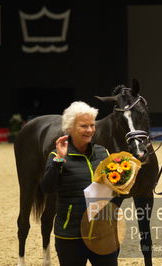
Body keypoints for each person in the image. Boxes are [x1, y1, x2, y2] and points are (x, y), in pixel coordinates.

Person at [40, 101, 119, 266]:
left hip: (102, 235)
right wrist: (59, 161)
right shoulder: (57, 155)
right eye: (84, 126)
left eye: (92, 125)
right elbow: (47, 187)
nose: (90, 130)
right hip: (70, 237)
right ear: (70, 127)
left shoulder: (103, 153)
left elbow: (113, 190)